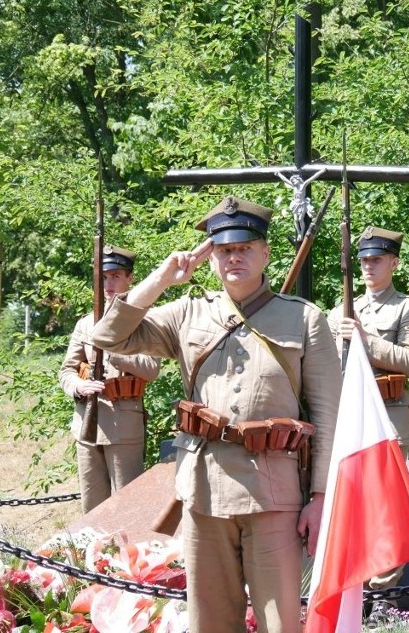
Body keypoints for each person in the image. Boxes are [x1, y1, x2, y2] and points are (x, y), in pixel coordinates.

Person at [90, 196, 341, 633]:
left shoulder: (304, 318)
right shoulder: (187, 312)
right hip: (204, 493)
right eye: (225, 250)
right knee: (210, 623)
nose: (235, 257)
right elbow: (108, 336)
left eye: (245, 247)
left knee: (281, 622)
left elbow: (329, 414)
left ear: (265, 252)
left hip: (274, 496)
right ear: (211, 257)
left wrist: (321, 499)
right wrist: (162, 280)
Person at [327, 226, 409, 622]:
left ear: (393, 263)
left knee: (384, 509)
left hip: (387, 419)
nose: (368, 266)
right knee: (348, 504)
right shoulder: (341, 310)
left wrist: (367, 340)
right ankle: (350, 586)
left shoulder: (408, 308)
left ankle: (384, 594)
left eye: (376, 260)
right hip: (347, 418)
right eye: (364, 260)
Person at [59, 245, 161, 513]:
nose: (108, 283)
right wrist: (78, 386)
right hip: (86, 425)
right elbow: (66, 370)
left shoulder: (144, 321)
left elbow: (151, 369)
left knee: (127, 506)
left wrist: (116, 353)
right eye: (103, 277)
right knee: (92, 508)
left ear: (130, 278)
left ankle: (129, 556)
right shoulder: (85, 323)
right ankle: (95, 556)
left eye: (115, 276)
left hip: (123, 426)